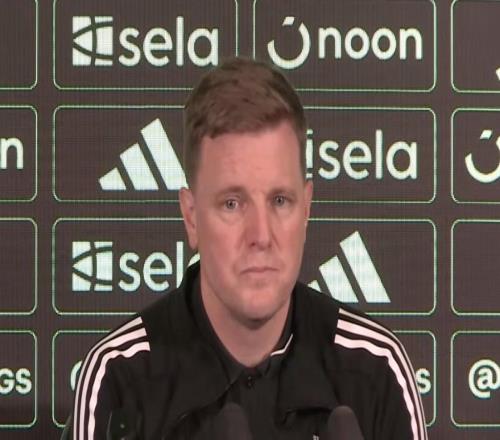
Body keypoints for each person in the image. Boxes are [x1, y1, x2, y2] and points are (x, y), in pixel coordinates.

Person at [69, 57, 427, 440]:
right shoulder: (120, 377)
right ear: (191, 217)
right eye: (232, 204)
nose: (261, 235)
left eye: (280, 201)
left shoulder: (375, 370)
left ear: (307, 208)